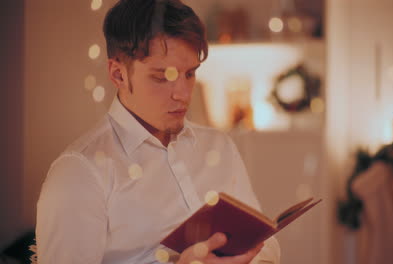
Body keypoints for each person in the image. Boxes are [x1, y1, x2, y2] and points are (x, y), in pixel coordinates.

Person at [35, 0, 280, 263]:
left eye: (190, 74)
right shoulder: (79, 173)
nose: (183, 94)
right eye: (162, 77)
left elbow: (267, 244)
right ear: (118, 74)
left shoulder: (219, 147)